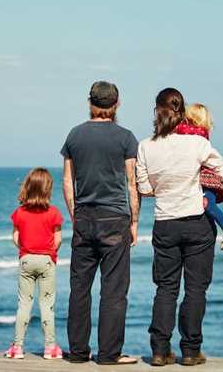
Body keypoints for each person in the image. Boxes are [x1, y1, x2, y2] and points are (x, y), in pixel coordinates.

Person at [136, 88, 223, 367]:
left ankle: (159, 350)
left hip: (165, 223)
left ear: (157, 112)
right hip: (197, 222)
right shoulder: (197, 145)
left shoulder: (145, 146)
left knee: (165, 288)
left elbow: (143, 188)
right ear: (182, 113)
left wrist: (162, 186)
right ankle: (190, 351)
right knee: (196, 289)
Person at [60, 81, 140, 365]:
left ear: (89, 102)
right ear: (116, 104)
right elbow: (131, 183)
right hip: (115, 218)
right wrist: (135, 222)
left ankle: (79, 352)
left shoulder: (74, 135)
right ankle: (109, 354)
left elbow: (68, 181)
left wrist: (74, 214)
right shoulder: (126, 138)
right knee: (114, 290)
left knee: (80, 288)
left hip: (84, 216)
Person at [4, 168, 64, 360]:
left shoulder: (19, 212)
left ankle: (17, 347)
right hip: (47, 261)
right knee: (47, 305)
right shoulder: (54, 213)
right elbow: (58, 240)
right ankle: (50, 348)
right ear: (48, 190)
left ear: (28, 187)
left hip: (26, 259)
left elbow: (15, 237)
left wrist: (24, 247)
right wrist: (50, 253)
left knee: (24, 304)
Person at [175, 103, 223, 250]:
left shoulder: (192, 132)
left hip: (206, 179)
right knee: (207, 204)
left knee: (208, 204)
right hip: (207, 178)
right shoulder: (202, 132)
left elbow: (177, 132)